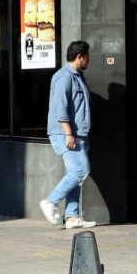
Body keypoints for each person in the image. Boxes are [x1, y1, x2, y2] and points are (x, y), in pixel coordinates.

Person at [39, 41, 96, 230]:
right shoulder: (64, 77)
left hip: (79, 134)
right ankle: (50, 202)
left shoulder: (78, 76)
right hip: (67, 134)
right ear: (80, 57)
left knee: (75, 175)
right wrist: (69, 133)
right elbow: (60, 109)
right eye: (87, 56)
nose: (89, 59)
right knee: (81, 171)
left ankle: (71, 217)